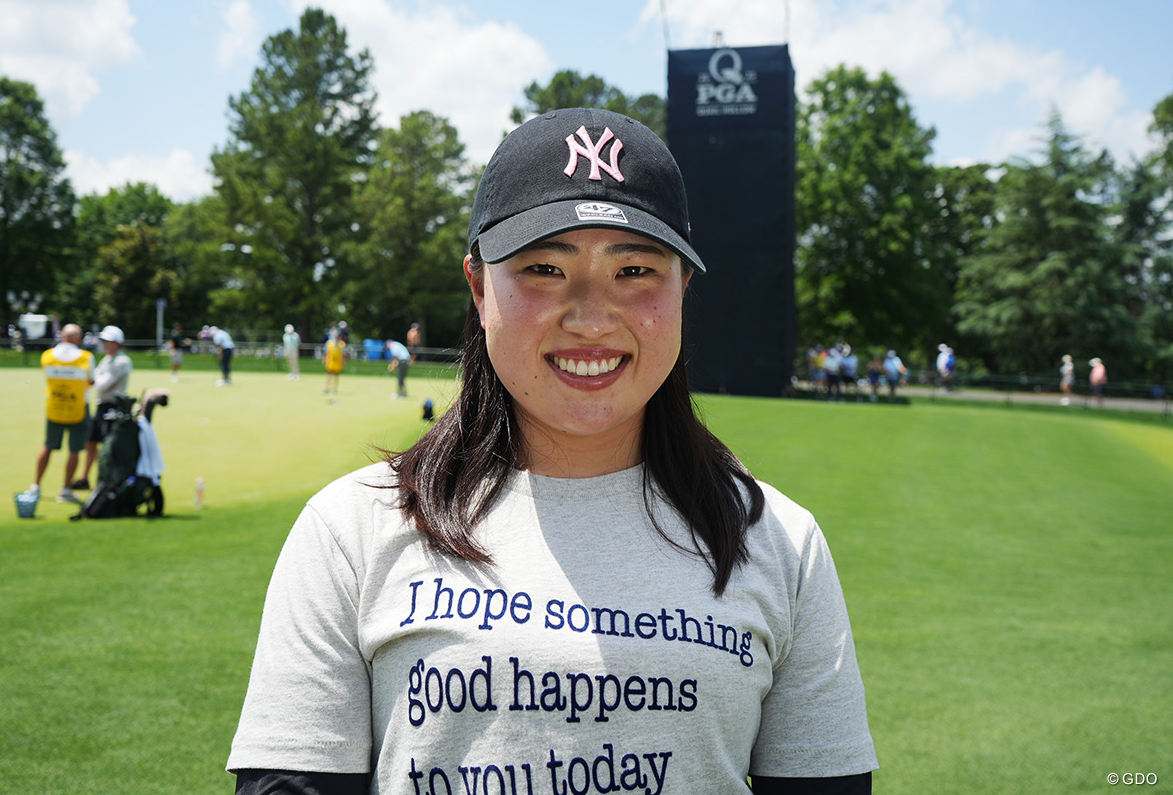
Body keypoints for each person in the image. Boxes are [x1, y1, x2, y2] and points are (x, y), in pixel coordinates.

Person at [228, 108, 876, 795]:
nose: (592, 316)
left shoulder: (780, 542)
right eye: (543, 268)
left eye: (634, 270)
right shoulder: (350, 529)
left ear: (684, 288)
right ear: (479, 288)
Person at [30, 324, 94, 504]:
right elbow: (91, 381)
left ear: (62, 337)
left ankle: (35, 486)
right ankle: (65, 490)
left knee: (48, 446)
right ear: (79, 339)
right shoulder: (86, 357)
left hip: (55, 407)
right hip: (78, 408)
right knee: (74, 450)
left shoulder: (47, 356)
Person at [73, 324, 132, 490]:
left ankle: (107, 479)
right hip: (102, 406)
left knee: (108, 446)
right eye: (104, 340)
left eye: (109, 341)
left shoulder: (121, 361)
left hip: (113, 407)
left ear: (118, 343)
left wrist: (97, 379)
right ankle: (85, 478)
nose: (105, 344)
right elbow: (96, 379)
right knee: (91, 442)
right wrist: (97, 379)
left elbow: (100, 384)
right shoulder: (107, 359)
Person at [323, 329, 345, 400]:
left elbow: (343, 355)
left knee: (336, 375)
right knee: (329, 374)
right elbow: (326, 353)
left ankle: (335, 388)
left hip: (338, 362)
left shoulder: (341, 344)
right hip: (331, 362)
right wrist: (325, 360)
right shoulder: (329, 343)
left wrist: (342, 363)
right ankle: (327, 387)